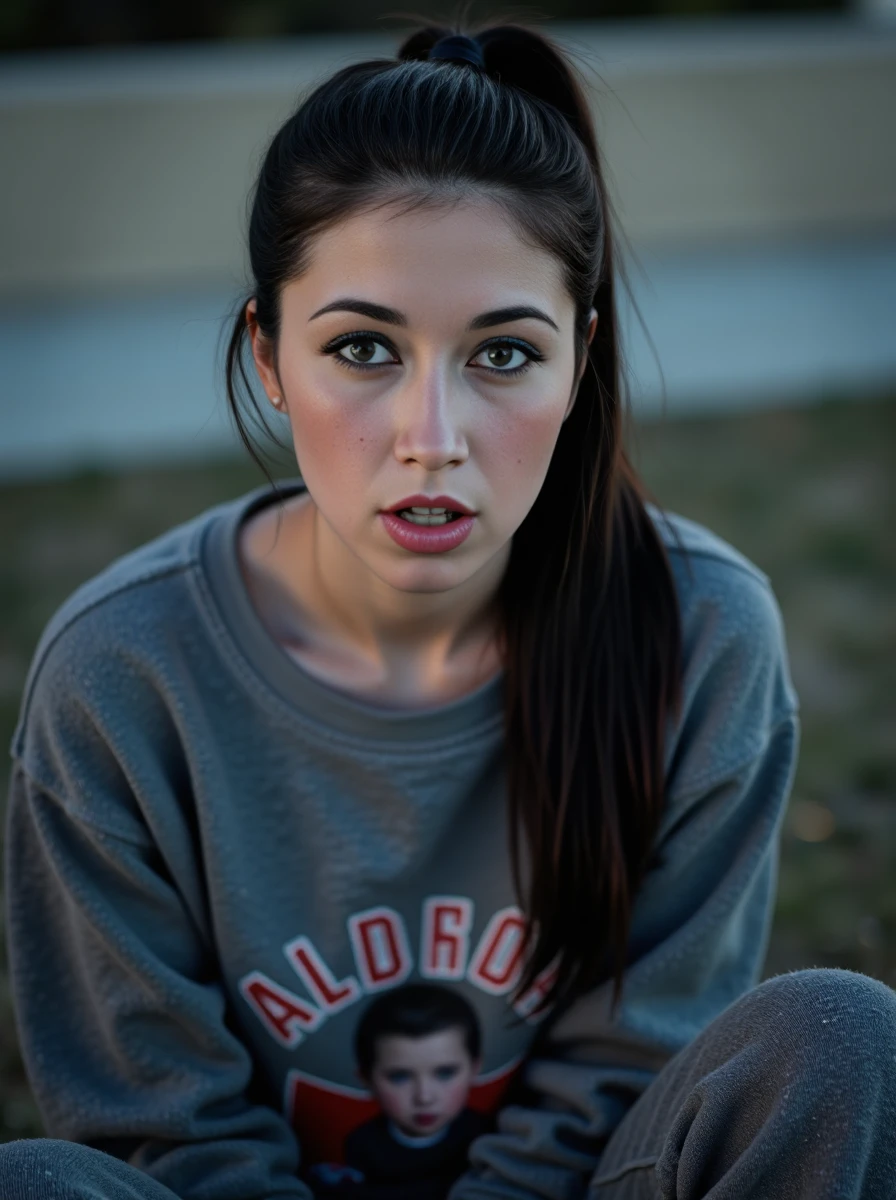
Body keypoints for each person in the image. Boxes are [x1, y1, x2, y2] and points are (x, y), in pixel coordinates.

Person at [2, 16, 896, 1200]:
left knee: (837, 1041)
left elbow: (631, 1070)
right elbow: (164, 1124)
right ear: (268, 357)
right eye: (364, 349)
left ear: (578, 361)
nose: (431, 440)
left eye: (503, 355)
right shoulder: (122, 679)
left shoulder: (700, 637)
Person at [310, 984, 490, 1200]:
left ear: (475, 1068)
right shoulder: (363, 1144)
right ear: (367, 1080)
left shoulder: (485, 1136)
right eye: (400, 1077)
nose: (424, 1097)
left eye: (445, 1073)